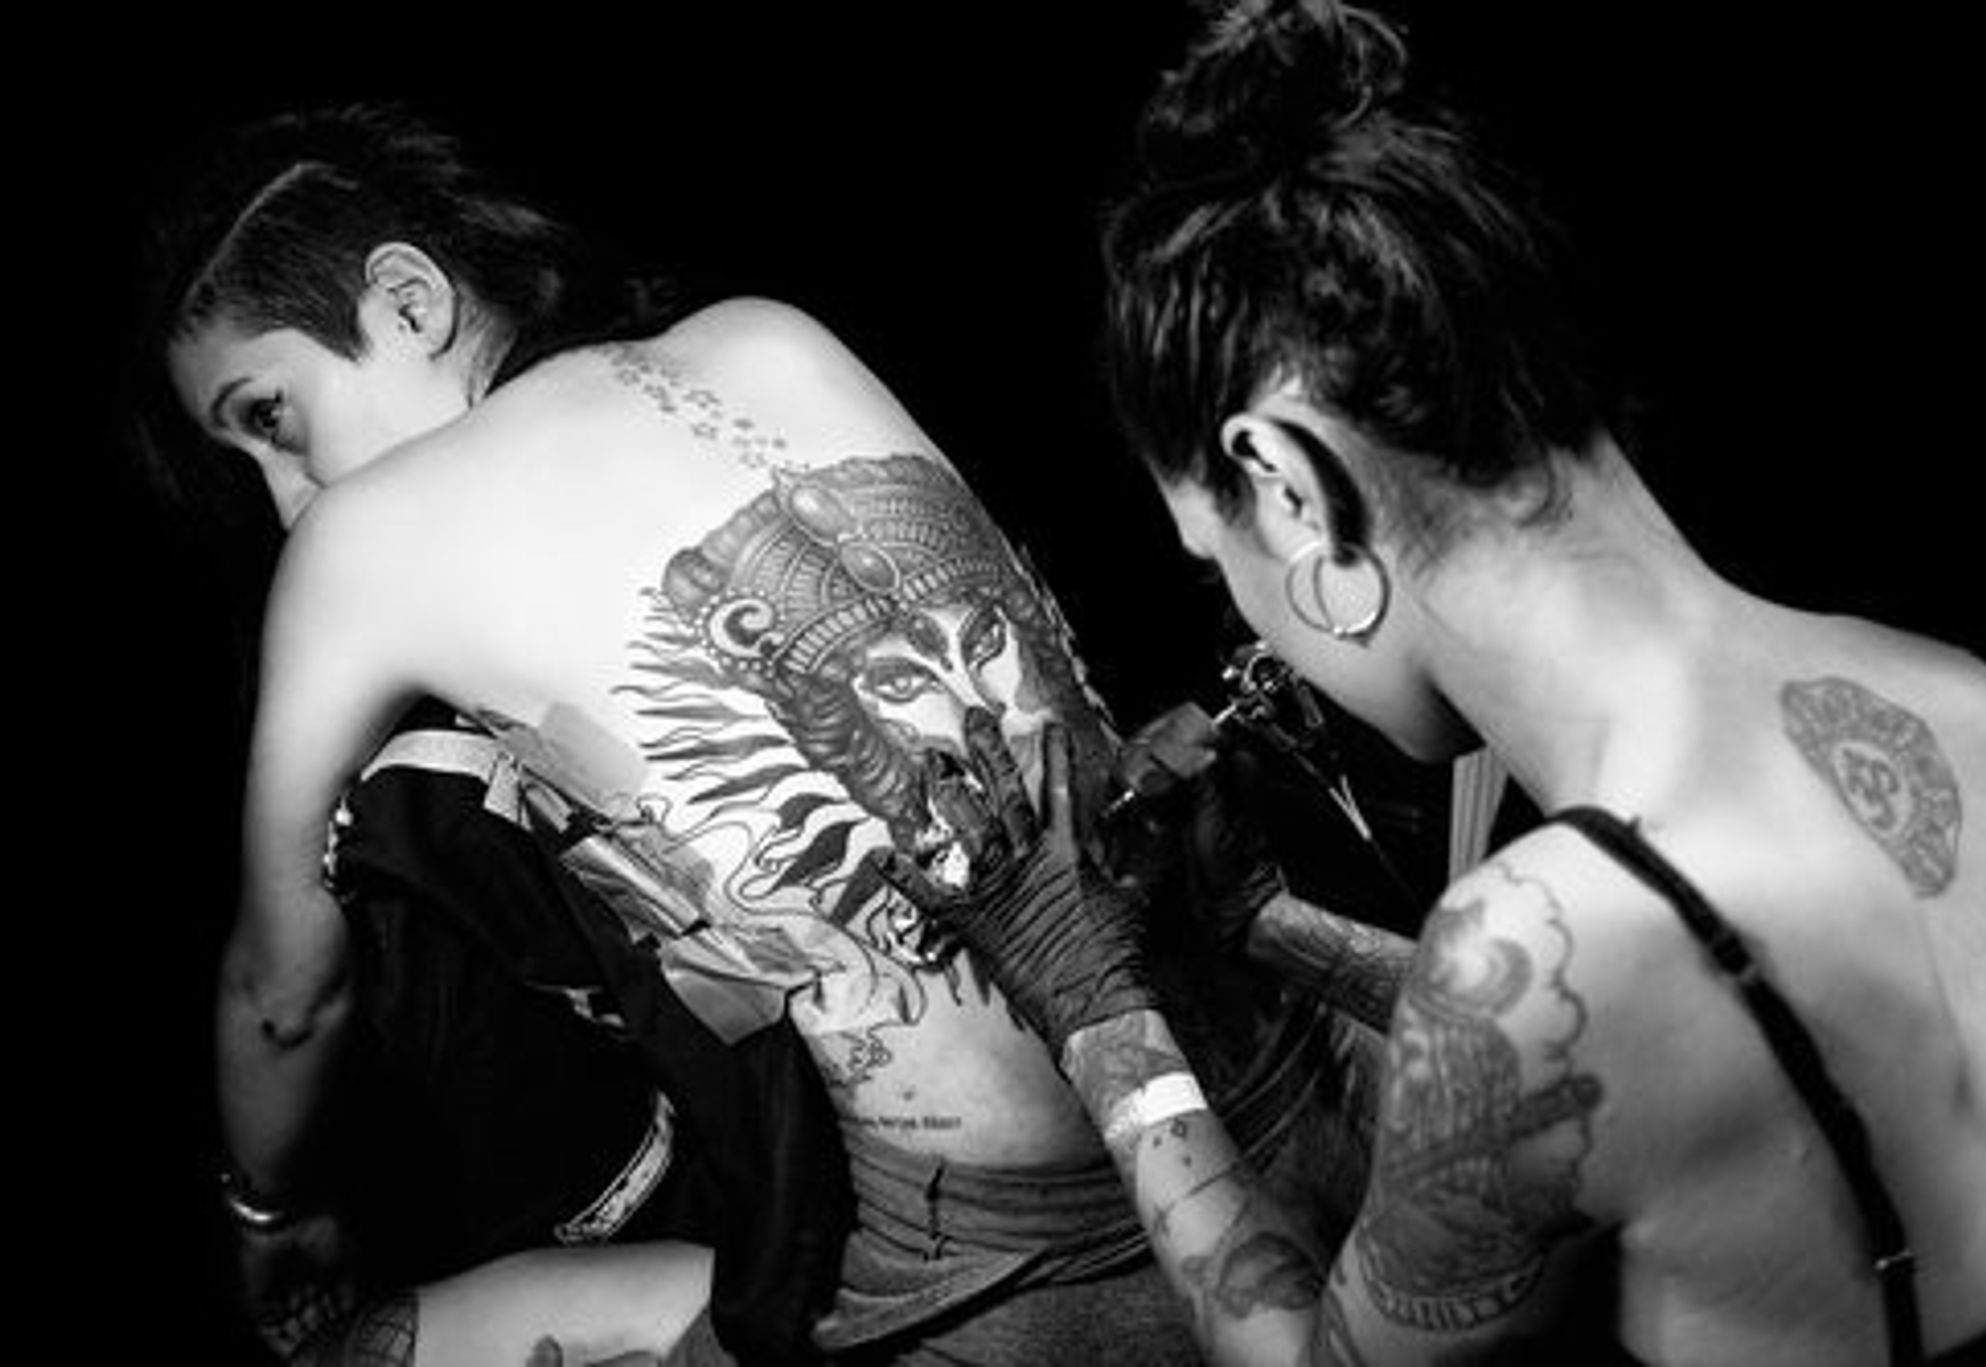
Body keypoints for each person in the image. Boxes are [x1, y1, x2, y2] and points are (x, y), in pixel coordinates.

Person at [139, 98, 1401, 1364]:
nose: (286, 500)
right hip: (1290, 1052)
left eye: (272, 420)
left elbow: (283, 994)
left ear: (408, 301)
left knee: (354, 1346)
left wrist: (268, 1208)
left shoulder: (360, 543)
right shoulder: (767, 335)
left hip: (1023, 1251)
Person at [877, 3, 1986, 1364]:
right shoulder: (1964, 700)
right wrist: (1261, 922)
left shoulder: (1552, 940)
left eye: (1216, 558)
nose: (1251, 627)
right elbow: (1620, 1074)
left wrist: (1096, 1009)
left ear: (1288, 484)